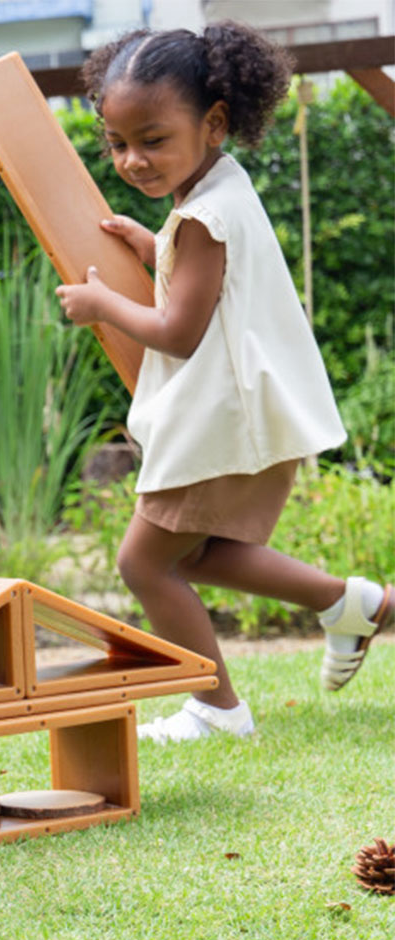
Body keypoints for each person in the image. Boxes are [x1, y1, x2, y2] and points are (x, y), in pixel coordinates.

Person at [55, 21, 392, 742]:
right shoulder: (219, 189)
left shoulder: (202, 216)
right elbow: (214, 285)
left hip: (220, 420)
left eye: (153, 139)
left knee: (143, 565)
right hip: (246, 412)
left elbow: (179, 329)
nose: (133, 160)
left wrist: (101, 304)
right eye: (117, 143)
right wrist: (155, 246)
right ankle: (348, 604)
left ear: (213, 123)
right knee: (195, 554)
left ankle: (217, 708)